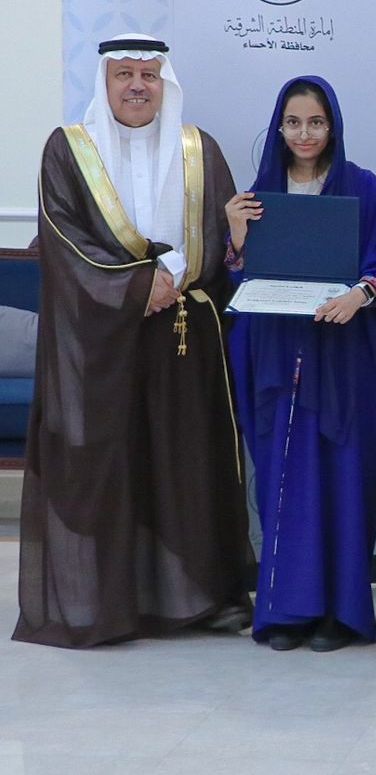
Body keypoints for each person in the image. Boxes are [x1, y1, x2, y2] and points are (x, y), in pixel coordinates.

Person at [14, 34, 254, 648]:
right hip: (102, 338)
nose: (138, 86)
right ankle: (104, 605)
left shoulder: (200, 149)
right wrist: (137, 286)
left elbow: (217, 238)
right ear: (105, 81)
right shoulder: (69, 149)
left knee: (184, 466)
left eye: (149, 75)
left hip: (181, 337)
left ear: (165, 83)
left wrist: (182, 275)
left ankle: (199, 600)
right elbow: (63, 239)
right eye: (124, 75)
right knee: (107, 468)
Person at [225, 76, 376, 652]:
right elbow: (240, 278)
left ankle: (340, 615)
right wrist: (237, 238)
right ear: (279, 128)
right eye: (293, 123)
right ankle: (287, 613)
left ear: (333, 126)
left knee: (343, 481)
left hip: (342, 361)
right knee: (284, 484)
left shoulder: (362, 187)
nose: (304, 134)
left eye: (316, 122)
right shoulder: (260, 194)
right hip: (278, 362)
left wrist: (359, 296)